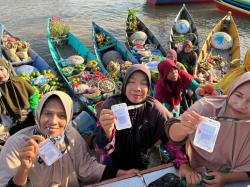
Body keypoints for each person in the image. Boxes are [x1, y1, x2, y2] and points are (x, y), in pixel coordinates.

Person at [0, 91, 138, 187]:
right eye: (48, 113)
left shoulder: (70, 135)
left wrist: (122, 173)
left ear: (68, 118)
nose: (54, 122)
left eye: (61, 115)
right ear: (38, 115)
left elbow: (87, 168)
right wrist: (23, 169)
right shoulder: (17, 144)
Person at [93, 64, 200, 185]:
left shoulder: (155, 109)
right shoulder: (112, 105)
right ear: (125, 84)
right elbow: (99, 148)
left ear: (149, 87)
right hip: (112, 163)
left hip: (140, 161)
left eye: (143, 83)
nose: (137, 88)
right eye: (132, 82)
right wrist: (106, 131)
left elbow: (172, 139)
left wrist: (183, 164)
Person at [168, 72, 250, 186]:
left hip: (229, 175)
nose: (240, 105)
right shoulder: (208, 106)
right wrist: (182, 127)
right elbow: (171, 133)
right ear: (231, 90)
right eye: (238, 95)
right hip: (190, 168)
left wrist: (226, 178)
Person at [0, 58, 39, 135]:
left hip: (27, 114)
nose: (0, 74)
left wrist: (34, 109)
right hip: (12, 119)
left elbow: (33, 94)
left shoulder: (19, 81)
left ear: (7, 68)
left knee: (33, 131)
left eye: (1, 69)